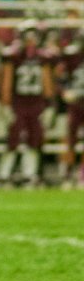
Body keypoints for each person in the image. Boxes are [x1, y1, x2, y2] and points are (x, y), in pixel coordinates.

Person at [0, 21, 54, 188]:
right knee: (13, 139)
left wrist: (49, 104)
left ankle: (30, 173)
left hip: (36, 103)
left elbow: (47, 81)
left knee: (34, 139)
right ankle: (4, 174)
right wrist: (5, 104)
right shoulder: (14, 55)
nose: (30, 41)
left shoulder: (42, 57)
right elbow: (7, 81)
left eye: (33, 37)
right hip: (19, 102)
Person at [56, 30, 84, 188]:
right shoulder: (71, 56)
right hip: (75, 103)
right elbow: (61, 77)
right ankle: (67, 173)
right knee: (70, 140)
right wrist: (65, 92)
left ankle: (81, 174)